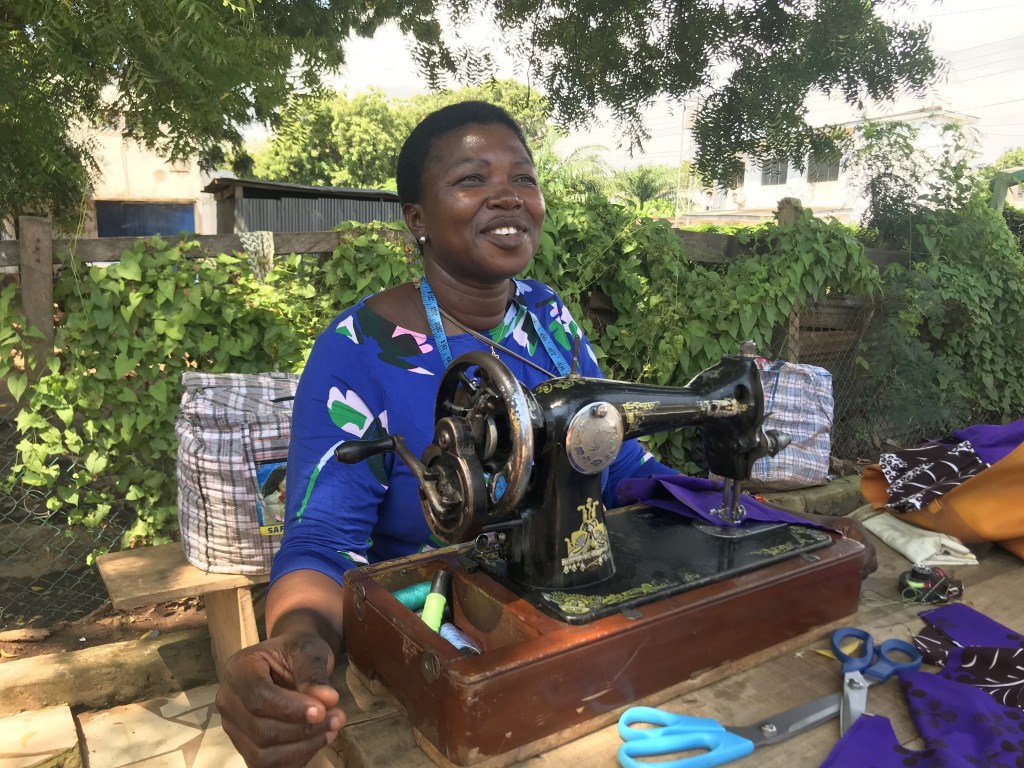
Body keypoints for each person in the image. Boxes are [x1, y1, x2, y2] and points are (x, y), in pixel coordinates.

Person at [215, 100, 876, 768]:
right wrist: (299, 643)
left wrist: (791, 539)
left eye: (523, 180)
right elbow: (323, 543)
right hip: (448, 634)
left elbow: (616, 459)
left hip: (573, 629)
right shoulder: (359, 348)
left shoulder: (547, 317)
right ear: (416, 219)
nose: (508, 196)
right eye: (472, 179)